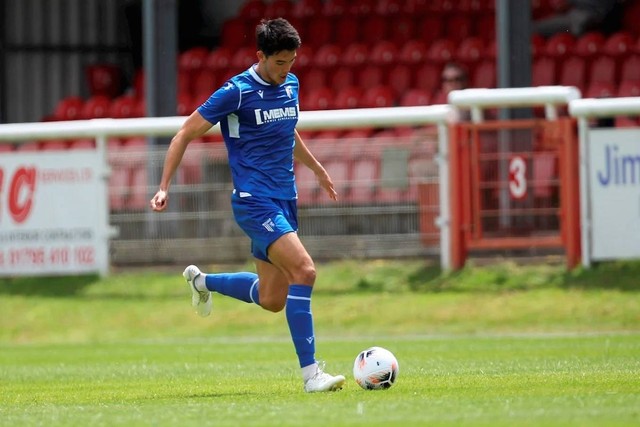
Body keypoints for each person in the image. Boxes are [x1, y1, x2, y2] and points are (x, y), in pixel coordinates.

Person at [149, 17, 345, 393]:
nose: (286, 69)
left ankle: (202, 281)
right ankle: (311, 376)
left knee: (273, 299)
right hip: (254, 201)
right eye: (279, 62)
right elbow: (184, 134)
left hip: (285, 198)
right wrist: (163, 187)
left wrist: (317, 168)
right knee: (305, 271)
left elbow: (287, 131)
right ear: (260, 56)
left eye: (291, 61)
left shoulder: (291, 84)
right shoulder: (236, 92)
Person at [532, 0, 619, 37]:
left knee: (532, 28)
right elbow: (562, 7)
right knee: (532, 28)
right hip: (573, 15)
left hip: (586, 19)